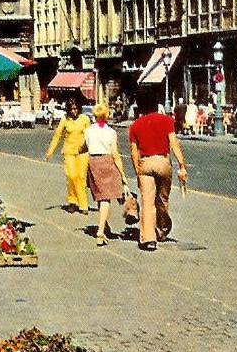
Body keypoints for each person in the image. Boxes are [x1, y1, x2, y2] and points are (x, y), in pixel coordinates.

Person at [128, 89, 187, 252]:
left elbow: (134, 153)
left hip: (145, 163)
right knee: (162, 199)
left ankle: (148, 239)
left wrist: (138, 171)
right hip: (162, 161)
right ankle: (161, 230)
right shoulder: (166, 121)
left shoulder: (134, 126)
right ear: (156, 104)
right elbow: (174, 143)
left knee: (147, 201)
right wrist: (181, 165)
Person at [85, 103, 128, 246]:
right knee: (106, 198)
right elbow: (115, 154)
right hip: (107, 162)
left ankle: (104, 224)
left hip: (93, 162)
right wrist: (123, 174)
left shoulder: (89, 131)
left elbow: (82, 146)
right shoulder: (110, 132)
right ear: (106, 115)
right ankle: (100, 232)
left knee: (100, 195)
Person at [45, 96, 90, 213]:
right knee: (71, 176)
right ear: (68, 109)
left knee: (81, 177)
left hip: (83, 152)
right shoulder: (65, 119)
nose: (74, 111)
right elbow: (57, 136)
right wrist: (50, 151)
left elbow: (91, 135)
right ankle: (72, 201)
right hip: (69, 151)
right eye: (71, 109)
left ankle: (83, 204)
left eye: (76, 108)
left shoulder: (85, 119)